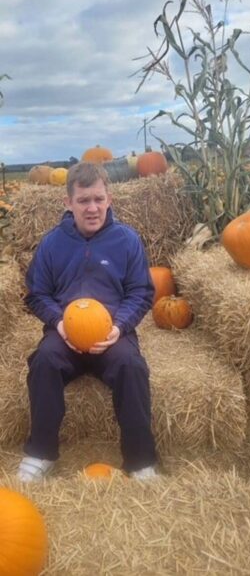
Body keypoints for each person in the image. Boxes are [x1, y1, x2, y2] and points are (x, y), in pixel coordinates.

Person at [18, 162, 159, 482]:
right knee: (44, 362)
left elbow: (140, 292)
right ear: (68, 203)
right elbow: (37, 293)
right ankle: (41, 452)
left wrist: (119, 326)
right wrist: (58, 322)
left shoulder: (127, 240)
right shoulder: (52, 243)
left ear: (109, 199)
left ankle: (140, 460)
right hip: (65, 335)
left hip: (111, 334)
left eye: (98, 199)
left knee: (132, 367)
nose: (92, 208)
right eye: (83, 201)